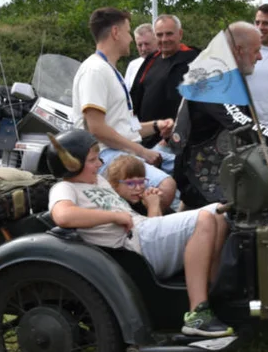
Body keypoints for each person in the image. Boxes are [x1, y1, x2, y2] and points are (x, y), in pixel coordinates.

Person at [47, 129, 233, 337]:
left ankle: (212, 297)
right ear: (72, 166)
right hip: (133, 247)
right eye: (92, 160)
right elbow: (63, 216)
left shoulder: (98, 181)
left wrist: (151, 206)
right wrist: (113, 217)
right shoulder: (64, 187)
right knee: (204, 219)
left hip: (143, 233)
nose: (99, 164)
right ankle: (198, 316)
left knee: (218, 212)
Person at [173, 22, 268, 209]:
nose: (259, 57)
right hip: (201, 176)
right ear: (238, 50)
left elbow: (251, 126)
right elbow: (241, 125)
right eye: (256, 51)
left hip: (218, 169)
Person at [72, 7, 177, 213]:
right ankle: (141, 234)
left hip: (120, 151)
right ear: (115, 32)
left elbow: (126, 125)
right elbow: (96, 129)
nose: (130, 39)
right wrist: (143, 152)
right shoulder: (95, 70)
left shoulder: (111, 70)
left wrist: (157, 125)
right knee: (165, 186)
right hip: (105, 155)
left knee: (186, 166)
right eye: (128, 32)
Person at [129, 15, 199, 127]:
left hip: (177, 139)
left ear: (180, 34)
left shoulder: (194, 60)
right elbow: (135, 99)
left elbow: (198, 106)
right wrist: (133, 130)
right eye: (159, 35)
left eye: (169, 34)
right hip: (145, 137)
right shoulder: (150, 60)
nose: (164, 39)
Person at [123, 23, 156, 90]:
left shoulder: (166, 63)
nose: (143, 48)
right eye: (140, 45)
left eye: (147, 44)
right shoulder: (133, 65)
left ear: (157, 41)